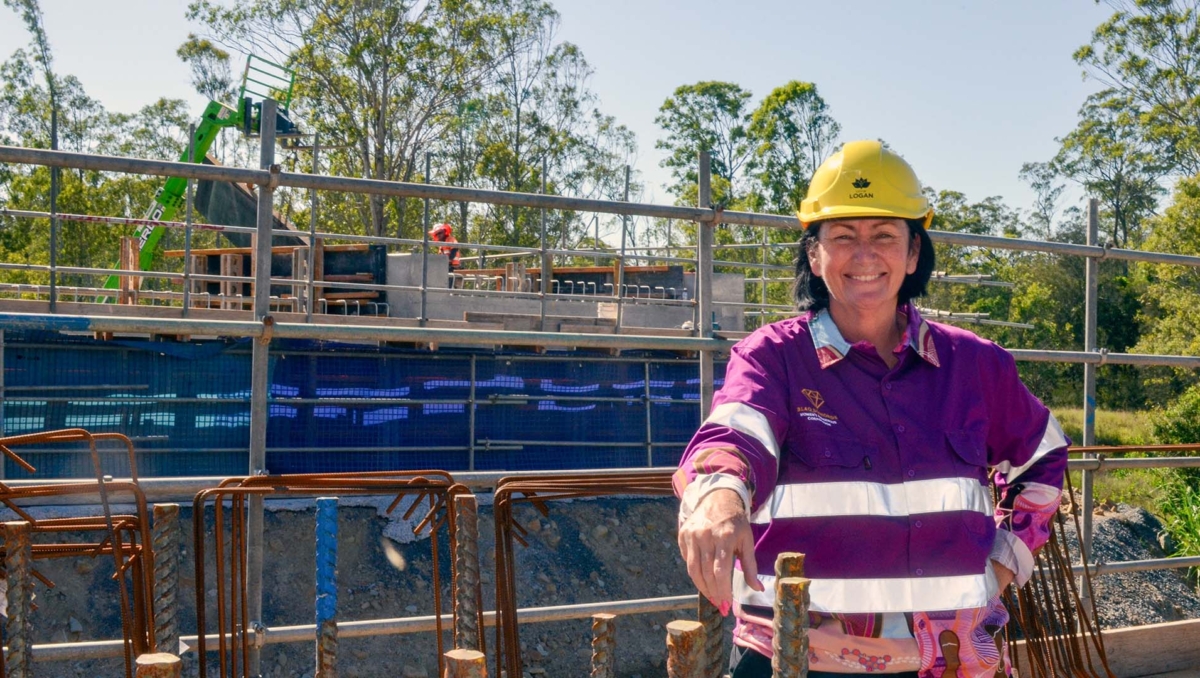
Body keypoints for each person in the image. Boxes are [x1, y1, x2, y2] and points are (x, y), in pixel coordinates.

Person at [673, 140, 1067, 678]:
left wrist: (1003, 561)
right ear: (815, 255)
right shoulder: (774, 358)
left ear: (911, 253)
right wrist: (719, 496)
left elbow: (1043, 460)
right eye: (842, 237)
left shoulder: (974, 366)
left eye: (884, 236)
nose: (864, 255)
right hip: (794, 664)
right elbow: (735, 434)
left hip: (947, 663)